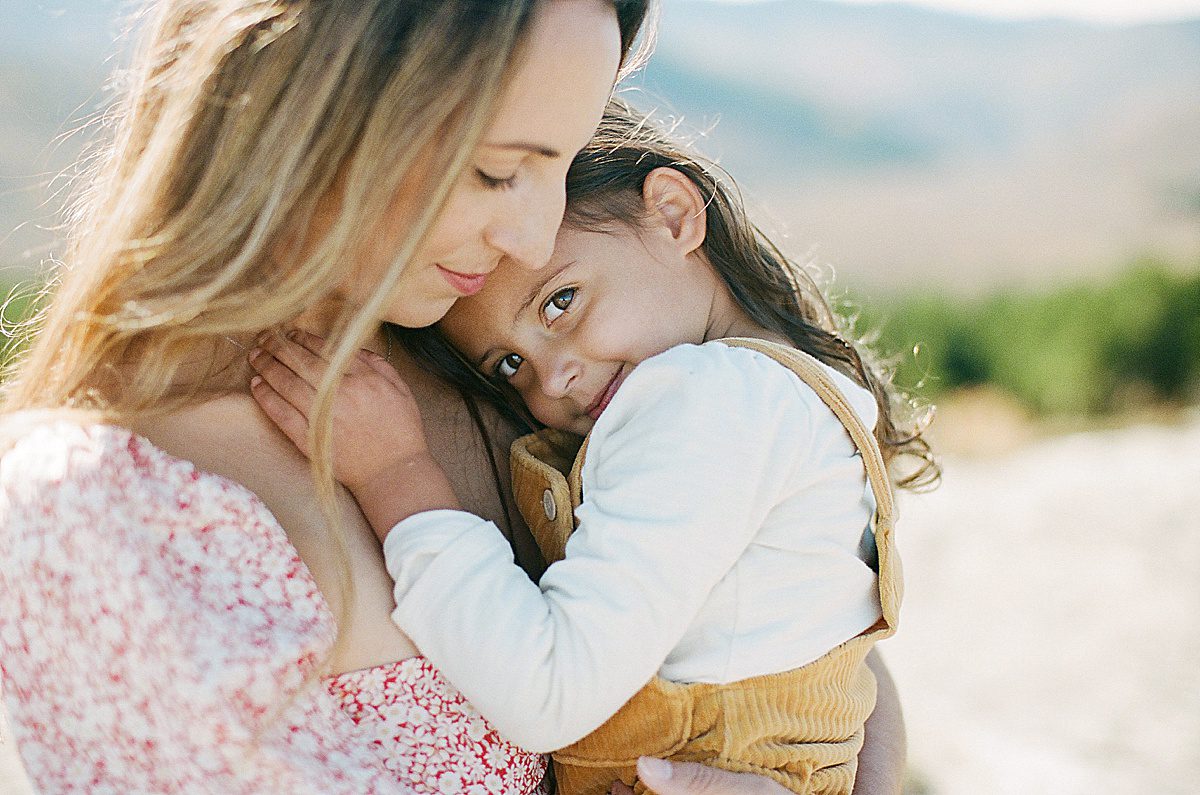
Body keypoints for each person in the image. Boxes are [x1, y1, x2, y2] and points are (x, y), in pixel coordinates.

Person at [0, 1, 905, 793]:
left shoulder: (495, 365)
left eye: (559, 162)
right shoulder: (85, 506)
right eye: (498, 171)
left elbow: (799, 618)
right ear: (310, 110)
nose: (533, 233)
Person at [245, 101, 935, 793]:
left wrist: (398, 473)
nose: (552, 378)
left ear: (671, 214)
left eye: (559, 301)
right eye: (508, 367)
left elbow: (548, 694)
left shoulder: (702, 397)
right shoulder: (787, 396)